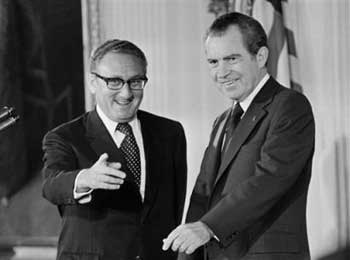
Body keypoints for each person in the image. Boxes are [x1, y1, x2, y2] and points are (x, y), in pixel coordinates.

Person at [163, 12, 315, 260]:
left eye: (231, 59)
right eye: (213, 62)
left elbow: (269, 179)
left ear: (261, 56)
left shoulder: (289, 106)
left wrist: (208, 227)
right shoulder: (221, 121)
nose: (221, 72)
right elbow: (202, 195)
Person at [42, 39, 187, 260]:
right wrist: (85, 179)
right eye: (114, 82)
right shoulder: (65, 137)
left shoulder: (170, 132)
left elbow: (174, 206)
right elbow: (51, 185)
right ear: (93, 82)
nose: (126, 93)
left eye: (136, 81)